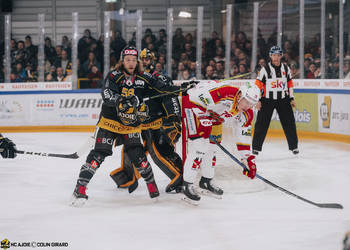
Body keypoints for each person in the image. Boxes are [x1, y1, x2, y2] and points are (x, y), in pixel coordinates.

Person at [71, 46, 189, 206]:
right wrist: (120, 100)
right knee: (99, 153)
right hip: (110, 121)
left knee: (138, 154)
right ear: (122, 61)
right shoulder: (114, 75)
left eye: (134, 60)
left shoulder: (144, 76)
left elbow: (163, 88)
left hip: (131, 124)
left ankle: (151, 186)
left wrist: (181, 89)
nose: (131, 63)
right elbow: (106, 94)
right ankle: (81, 188)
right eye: (128, 60)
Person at [109, 48, 183, 194]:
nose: (144, 62)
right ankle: (127, 175)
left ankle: (182, 177)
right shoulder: (129, 78)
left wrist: (174, 118)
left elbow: (171, 96)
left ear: (152, 61)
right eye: (141, 59)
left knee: (159, 152)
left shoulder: (159, 78)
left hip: (154, 122)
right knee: (131, 149)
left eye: (147, 59)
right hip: (135, 122)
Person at [181, 83, 260, 205]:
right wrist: (203, 116)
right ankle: (187, 184)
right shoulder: (226, 92)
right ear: (240, 95)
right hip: (194, 106)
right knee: (200, 146)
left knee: (212, 148)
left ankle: (206, 181)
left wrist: (247, 158)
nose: (247, 106)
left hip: (214, 117)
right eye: (246, 101)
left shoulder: (247, 113)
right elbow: (198, 97)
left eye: (251, 103)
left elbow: (242, 135)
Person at [252, 45, 299, 155]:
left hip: (283, 99)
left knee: (290, 123)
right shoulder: (265, 70)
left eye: (278, 55)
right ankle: (256, 147)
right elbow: (258, 85)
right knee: (261, 124)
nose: (276, 57)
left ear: (281, 56)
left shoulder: (286, 68)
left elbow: (289, 84)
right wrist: (258, 100)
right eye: (274, 55)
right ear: (270, 56)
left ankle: (294, 147)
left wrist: (291, 98)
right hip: (267, 100)